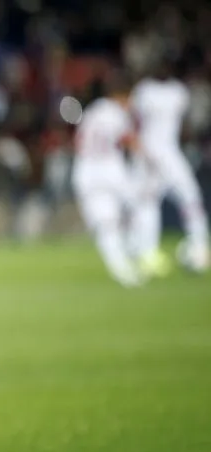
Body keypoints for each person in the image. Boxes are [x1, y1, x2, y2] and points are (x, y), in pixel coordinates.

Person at [131, 57, 210, 275]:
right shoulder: (144, 90)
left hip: (169, 151)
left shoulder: (178, 91)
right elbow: (135, 122)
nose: (162, 67)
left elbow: (183, 126)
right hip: (149, 152)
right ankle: (146, 252)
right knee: (148, 201)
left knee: (190, 196)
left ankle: (200, 246)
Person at [71, 74, 144, 287]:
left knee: (107, 224)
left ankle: (122, 268)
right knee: (141, 207)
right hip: (111, 168)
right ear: (122, 96)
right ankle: (138, 252)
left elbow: (79, 141)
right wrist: (148, 156)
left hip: (86, 171)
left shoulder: (92, 111)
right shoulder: (115, 112)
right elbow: (127, 139)